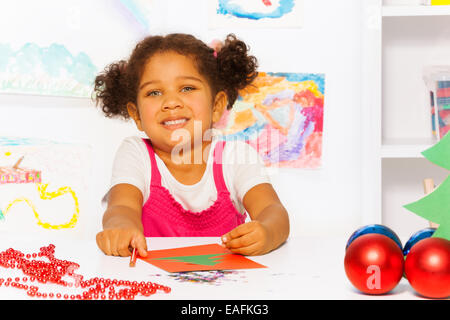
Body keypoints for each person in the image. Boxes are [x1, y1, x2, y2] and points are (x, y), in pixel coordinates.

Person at [93, 33, 289, 257]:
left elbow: (273, 211)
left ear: (216, 106)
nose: (171, 102)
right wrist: (120, 226)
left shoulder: (235, 156)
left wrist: (267, 232)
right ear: (136, 115)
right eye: (154, 92)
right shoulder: (136, 153)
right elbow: (121, 207)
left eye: (187, 88)